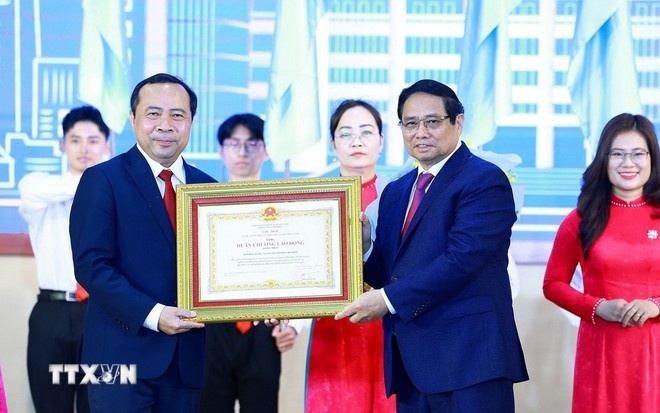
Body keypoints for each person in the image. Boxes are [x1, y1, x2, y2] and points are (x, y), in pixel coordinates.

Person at [335, 79, 529, 412]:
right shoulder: (397, 191)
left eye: (432, 121)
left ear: (458, 122)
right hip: (411, 363)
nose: (420, 132)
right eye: (410, 123)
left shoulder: (485, 180)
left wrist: (385, 300)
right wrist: (364, 248)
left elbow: (462, 259)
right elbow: (388, 270)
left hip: (470, 362)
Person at [69, 73, 215, 412]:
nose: (165, 125)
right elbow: (92, 267)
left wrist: (263, 302)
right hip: (117, 358)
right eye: (153, 113)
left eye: (177, 115)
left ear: (191, 122)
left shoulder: (208, 188)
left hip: (185, 361)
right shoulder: (102, 179)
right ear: (133, 119)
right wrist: (155, 314)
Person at [543, 113, 660, 412]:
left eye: (638, 154)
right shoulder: (581, 219)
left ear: (652, 159)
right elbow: (553, 284)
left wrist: (655, 305)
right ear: (604, 159)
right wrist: (596, 307)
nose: (628, 163)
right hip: (602, 349)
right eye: (617, 154)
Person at [200, 113, 303, 413]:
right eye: (234, 143)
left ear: (266, 150)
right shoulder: (203, 206)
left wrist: (294, 326)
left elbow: (300, 268)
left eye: (251, 143)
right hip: (211, 327)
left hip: (264, 328)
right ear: (221, 150)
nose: (242, 152)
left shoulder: (283, 206)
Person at [19, 105, 111, 413]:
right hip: (52, 315)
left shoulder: (120, 198)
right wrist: (105, 182)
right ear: (62, 145)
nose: (84, 148)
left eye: (93, 140)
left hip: (102, 317)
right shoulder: (39, 188)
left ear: (107, 145)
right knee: (50, 405)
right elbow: (30, 189)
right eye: (75, 140)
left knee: (99, 404)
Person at [306, 99, 395, 412]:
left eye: (366, 132)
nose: (356, 140)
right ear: (333, 144)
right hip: (333, 324)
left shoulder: (401, 195)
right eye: (346, 133)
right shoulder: (312, 198)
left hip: (389, 325)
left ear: (381, 141)